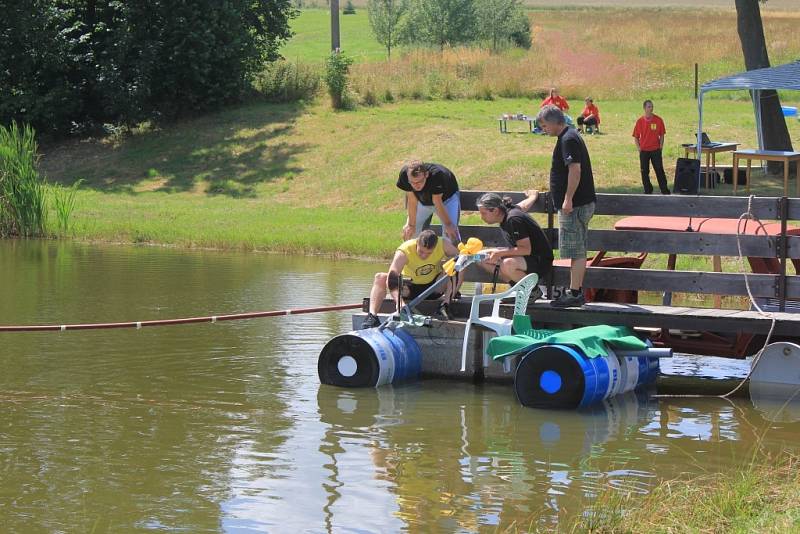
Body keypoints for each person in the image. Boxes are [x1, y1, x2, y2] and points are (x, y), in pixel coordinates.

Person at [536, 104, 597, 308]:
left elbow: (575, 170)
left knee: (577, 250)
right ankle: (574, 290)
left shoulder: (568, 139)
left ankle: (575, 292)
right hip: (576, 203)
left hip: (575, 204)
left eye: (544, 125)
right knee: (576, 249)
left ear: (554, 122)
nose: (544, 129)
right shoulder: (569, 136)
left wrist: (568, 199)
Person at [362, 229, 460, 328]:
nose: (424, 256)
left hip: (433, 288)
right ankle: (372, 316)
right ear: (417, 242)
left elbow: (462, 257)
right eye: (421, 251)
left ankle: (445, 306)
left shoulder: (443, 244)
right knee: (380, 277)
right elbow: (392, 277)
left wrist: (449, 262)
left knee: (454, 266)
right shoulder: (405, 250)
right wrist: (399, 302)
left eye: (429, 253)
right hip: (410, 289)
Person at [475, 192, 553, 293]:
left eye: (484, 213)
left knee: (508, 264)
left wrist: (500, 253)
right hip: (524, 258)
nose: (481, 217)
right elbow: (524, 205)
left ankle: (532, 292)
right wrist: (533, 196)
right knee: (479, 257)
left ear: (495, 210)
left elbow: (526, 249)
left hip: (540, 260)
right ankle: (518, 289)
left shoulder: (513, 219)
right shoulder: (508, 211)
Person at [397, 160, 460, 243]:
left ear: (426, 175)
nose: (416, 185)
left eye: (420, 181)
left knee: (450, 234)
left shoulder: (437, 175)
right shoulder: (405, 175)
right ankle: (414, 255)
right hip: (422, 201)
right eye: (412, 182)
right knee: (410, 232)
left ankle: (453, 255)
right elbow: (412, 200)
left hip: (446, 200)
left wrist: (448, 225)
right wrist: (411, 225)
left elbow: (437, 201)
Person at [632, 99, 670, 195]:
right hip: (644, 150)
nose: (651, 108)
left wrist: (660, 147)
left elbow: (662, 135)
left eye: (652, 106)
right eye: (649, 106)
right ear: (644, 108)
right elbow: (636, 137)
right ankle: (648, 190)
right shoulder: (640, 121)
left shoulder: (658, 120)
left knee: (659, 170)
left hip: (655, 150)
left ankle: (664, 190)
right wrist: (639, 148)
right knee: (644, 171)